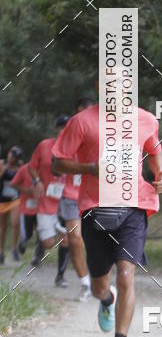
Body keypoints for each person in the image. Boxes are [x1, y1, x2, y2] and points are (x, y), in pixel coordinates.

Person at [52, 101, 162, 337]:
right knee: (99, 287)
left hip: (134, 207)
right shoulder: (82, 121)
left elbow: (154, 149)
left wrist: (160, 174)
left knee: (127, 273)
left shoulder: (146, 119)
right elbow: (57, 163)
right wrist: (90, 169)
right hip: (96, 208)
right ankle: (107, 300)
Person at [51, 113, 91, 298]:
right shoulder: (63, 145)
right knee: (74, 238)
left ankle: (99, 278)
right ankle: (85, 283)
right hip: (70, 197)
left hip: (93, 195)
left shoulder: (91, 138)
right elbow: (54, 167)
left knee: (93, 241)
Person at [0, 146, 24, 263]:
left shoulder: (20, 166)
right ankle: (1, 252)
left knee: (15, 223)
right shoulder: (2, 163)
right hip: (2, 200)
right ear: (8, 153)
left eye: (16, 157)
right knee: (3, 227)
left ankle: (14, 249)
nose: (13, 158)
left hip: (15, 199)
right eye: (12, 155)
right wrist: (5, 168)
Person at [10, 160, 38, 257]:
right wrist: (25, 190)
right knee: (28, 234)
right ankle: (22, 241)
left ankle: (37, 256)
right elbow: (13, 183)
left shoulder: (47, 168)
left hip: (42, 207)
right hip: (27, 208)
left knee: (42, 232)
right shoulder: (24, 169)